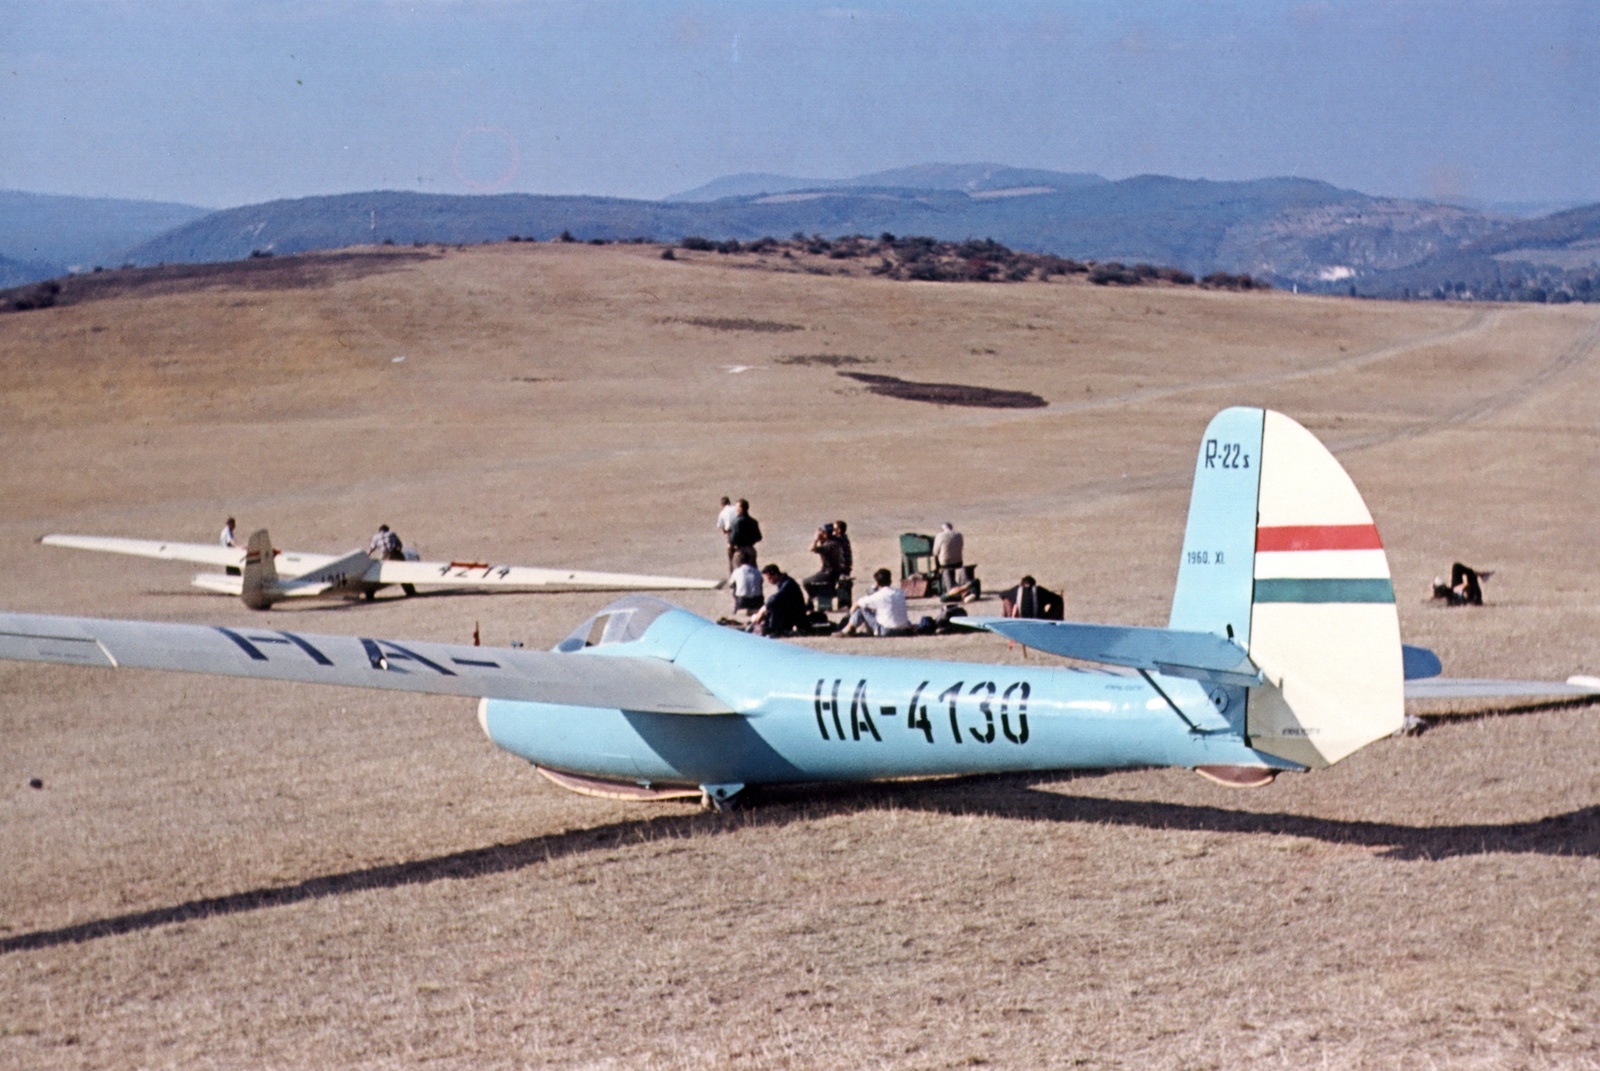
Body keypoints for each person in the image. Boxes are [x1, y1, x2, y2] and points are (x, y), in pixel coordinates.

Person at [842, 569, 912, 636]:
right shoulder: (899, 592)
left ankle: (848, 628)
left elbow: (857, 604)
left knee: (862, 608)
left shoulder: (878, 595)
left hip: (885, 630)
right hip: (903, 630)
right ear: (890, 581)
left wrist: (850, 615)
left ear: (877, 583)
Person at [748, 563, 806, 637]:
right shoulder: (784, 582)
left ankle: (774, 631)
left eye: (769, 578)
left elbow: (775, 599)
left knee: (774, 605)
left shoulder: (788, 584)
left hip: (796, 615)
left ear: (775, 575)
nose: (769, 581)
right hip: (790, 613)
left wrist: (762, 610)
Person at [803, 522, 849, 607]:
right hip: (833, 571)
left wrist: (816, 539)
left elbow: (812, 549)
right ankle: (819, 598)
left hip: (829, 572)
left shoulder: (830, 545)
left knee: (806, 582)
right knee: (820, 584)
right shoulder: (835, 541)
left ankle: (826, 595)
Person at [999, 576, 1064, 620]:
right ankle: (1057, 620)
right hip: (1038, 619)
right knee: (1058, 602)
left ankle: (1005, 618)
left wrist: (1010, 607)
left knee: (1006, 598)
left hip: (1020, 618)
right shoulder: (1039, 590)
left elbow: (1002, 595)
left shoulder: (1017, 589)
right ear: (1034, 584)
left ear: (1021, 584)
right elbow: (1058, 599)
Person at [727, 499, 762, 571]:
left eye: (736, 507)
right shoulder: (753, 521)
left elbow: (733, 539)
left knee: (740, 572)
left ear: (741, 509)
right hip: (751, 549)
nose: (735, 509)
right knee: (753, 570)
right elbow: (758, 537)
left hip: (740, 551)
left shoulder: (737, 522)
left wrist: (730, 544)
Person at [933, 522, 964, 594]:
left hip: (945, 562)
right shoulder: (959, 535)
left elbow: (935, 552)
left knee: (940, 560)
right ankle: (953, 582)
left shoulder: (940, 536)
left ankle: (945, 586)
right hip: (959, 561)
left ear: (942, 529)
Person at [729, 549, 763, 615]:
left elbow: (731, 584)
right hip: (757, 599)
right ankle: (760, 606)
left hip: (742, 600)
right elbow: (761, 581)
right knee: (758, 584)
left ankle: (737, 606)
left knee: (735, 585)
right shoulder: (756, 571)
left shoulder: (737, 571)